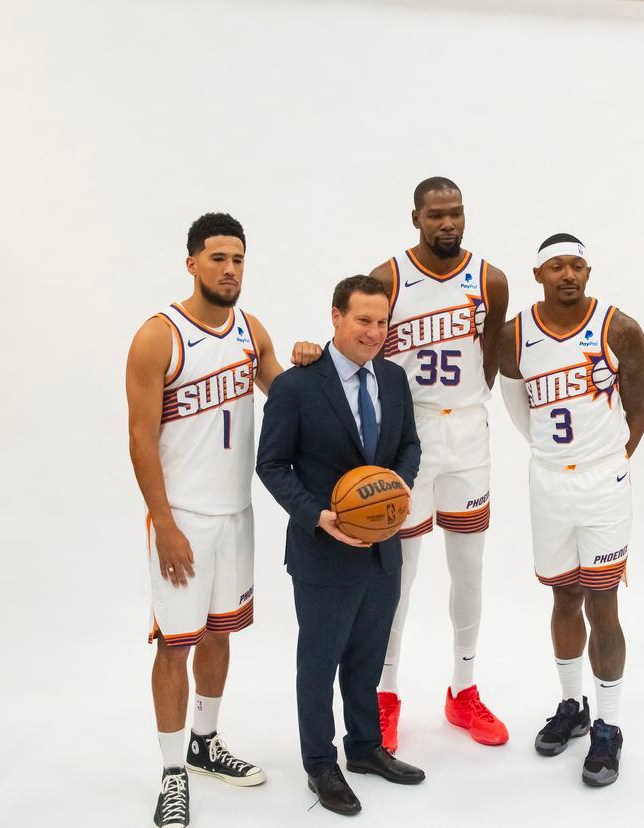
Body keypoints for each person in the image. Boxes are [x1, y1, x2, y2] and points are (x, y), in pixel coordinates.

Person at [126, 212, 321, 828]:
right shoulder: (159, 336)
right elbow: (139, 437)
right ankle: (171, 774)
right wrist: (163, 523)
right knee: (174, 647)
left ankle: (205, 743)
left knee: (219, 633)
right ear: (191, 262)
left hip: (237, 514)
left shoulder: (250, 331)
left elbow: (289, 400)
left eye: (238, 259)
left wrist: (310, 364)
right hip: (183, 517)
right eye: (217, 258)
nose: (230, 269)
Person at [255, 275, 428, 816]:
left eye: (381, 322)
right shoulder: (298, 385)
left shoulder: (395, 380)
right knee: (320, 660)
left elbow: (409, 446)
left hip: (382, 548)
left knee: (369, 654)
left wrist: (395, 490)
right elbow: (271, 464)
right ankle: (320, 765)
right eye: (362, 320)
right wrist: (317, 516)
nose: (374, 332)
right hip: (324, 550)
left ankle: (365, 748)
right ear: (335, 317)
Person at [498, 233, 644, 788]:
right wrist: (553, 454)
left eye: (577, 265)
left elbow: (641, 409)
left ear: (589, 271)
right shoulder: (515, 334)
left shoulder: (620, 328)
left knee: (602, 602)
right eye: (556, 266)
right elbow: (518, 407)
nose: (568, 274)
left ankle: (609, 725)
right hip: (548, 483)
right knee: (563, 593)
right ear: (538, 274)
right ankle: (572, 706)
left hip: (601, 483)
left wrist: (607, 459)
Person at [367, 176, 510, 752]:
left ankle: (463, 689)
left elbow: (491, 358)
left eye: (456, 214)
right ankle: (385, 693)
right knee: (398, 573)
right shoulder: (389, 278)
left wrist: (468, 410)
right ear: (416, 218)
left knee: (469, 568)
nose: (447, 224)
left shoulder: (491, 280)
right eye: (436, 215)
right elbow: (366, 352)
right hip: (411, 432)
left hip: (468, 431)